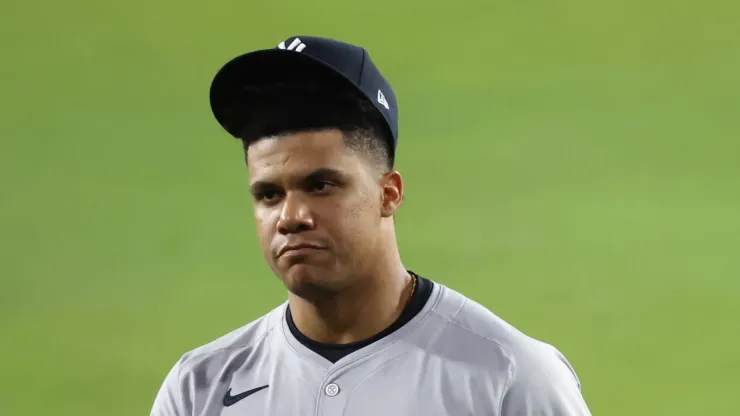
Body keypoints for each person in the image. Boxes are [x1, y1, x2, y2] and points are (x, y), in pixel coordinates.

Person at [150, 35, 592, 416]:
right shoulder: (199, 388)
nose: (290, 217)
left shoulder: (509, 376)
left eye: (321, 185)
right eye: (269, 195)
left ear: (389, 194)